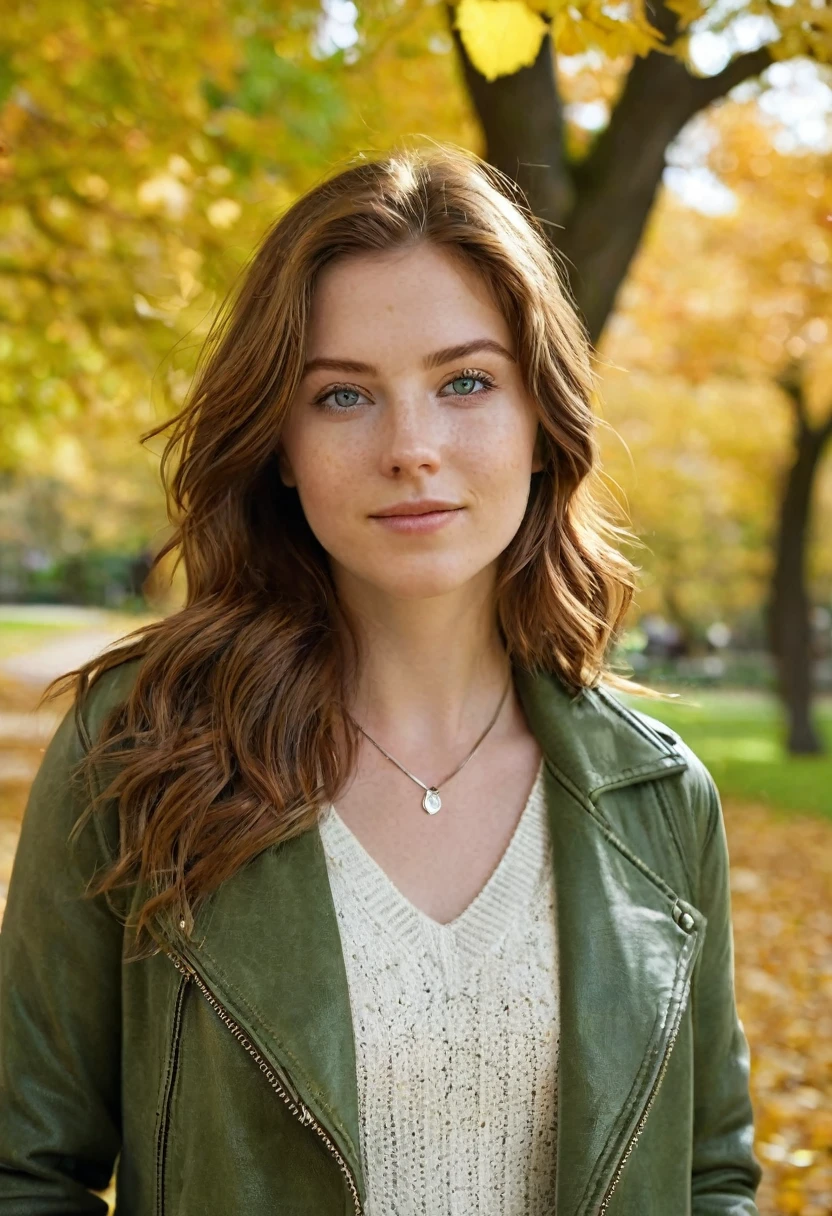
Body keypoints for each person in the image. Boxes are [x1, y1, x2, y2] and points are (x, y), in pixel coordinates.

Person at [0, 142, 763, 1216]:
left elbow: (711, 1176)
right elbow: (25, 1171)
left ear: (541, 421)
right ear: (279, 442)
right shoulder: (136, 749)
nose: (412, 447)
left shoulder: (658, 799)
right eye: (344, 397)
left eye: (464, 382)